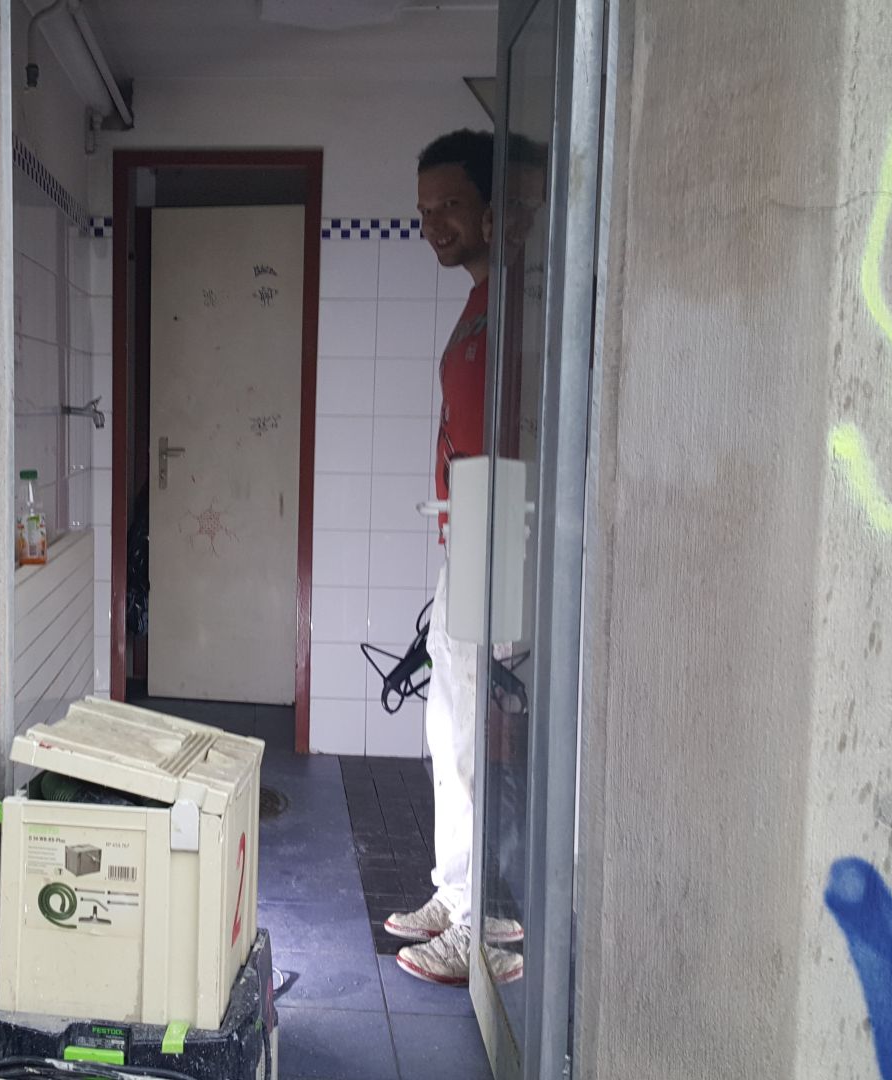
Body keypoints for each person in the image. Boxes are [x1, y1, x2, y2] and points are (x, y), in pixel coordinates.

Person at [386, 129, 527, 987]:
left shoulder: (513, 302)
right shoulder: (481, 299)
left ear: (492, 209)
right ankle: (455, 890)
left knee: (470, 735)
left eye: (451, 205)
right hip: (468, 530)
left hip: (496, 525)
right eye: (424, 210)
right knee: (446, 728)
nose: (434, 224)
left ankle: (478, 929)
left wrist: (504, 553)